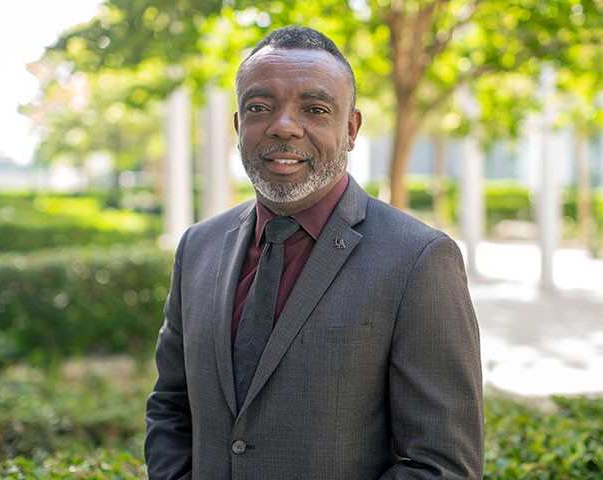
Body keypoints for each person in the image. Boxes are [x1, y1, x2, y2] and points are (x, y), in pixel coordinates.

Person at [145, 25, 484, 479]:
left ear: (350, 129)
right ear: (238, 125)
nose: (284, 126)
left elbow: (443, 465)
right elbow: (170, 407)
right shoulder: (198, 247)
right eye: (260, 107)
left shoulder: (418, 260)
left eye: (315, 108)